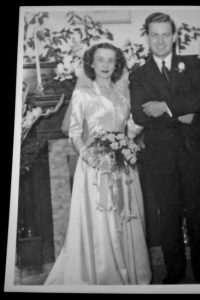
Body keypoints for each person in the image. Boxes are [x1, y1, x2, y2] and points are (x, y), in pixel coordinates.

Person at [45, 42, 152, 285]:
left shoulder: (123, 93)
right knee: (102, 219)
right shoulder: (83, 93)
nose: (105, 65)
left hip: (122, 165)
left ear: (117, 65)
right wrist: (90, 156)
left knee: (125, 217)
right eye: (100, 60)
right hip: (94, 167)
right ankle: (105, 276)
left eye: (110, 60)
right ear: (91, 64)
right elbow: (73, 132)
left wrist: (138, 127)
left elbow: (131, 127)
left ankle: (130, 274)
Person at [129, 12, 200, 284]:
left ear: (174, 36)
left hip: (196, 155)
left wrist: (164, 107)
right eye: (154, 35)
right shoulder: (139, 74)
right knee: (168, 218)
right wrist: (181, 110)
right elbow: (141, 115)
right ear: (147, 37)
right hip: (161, 157)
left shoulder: (191, 64)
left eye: (165, 34)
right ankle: (175, 274)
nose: (160, 40)